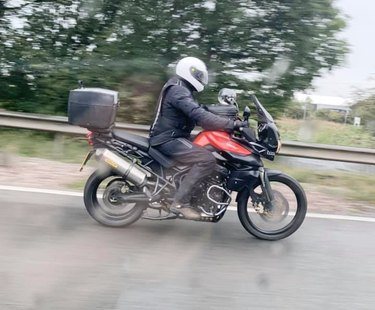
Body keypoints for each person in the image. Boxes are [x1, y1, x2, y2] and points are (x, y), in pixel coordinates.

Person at [149, 56, 247, 220]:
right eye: (199, 75)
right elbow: (199, 115)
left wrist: (226, 115)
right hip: (167, 139)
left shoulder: (181, 88)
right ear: (190, 72)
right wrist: (231, 125)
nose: (201, 79)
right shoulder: (178, 90)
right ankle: (180, 202)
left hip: (174, 136)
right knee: (206, 159)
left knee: (207, 147)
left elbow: (199, 110)